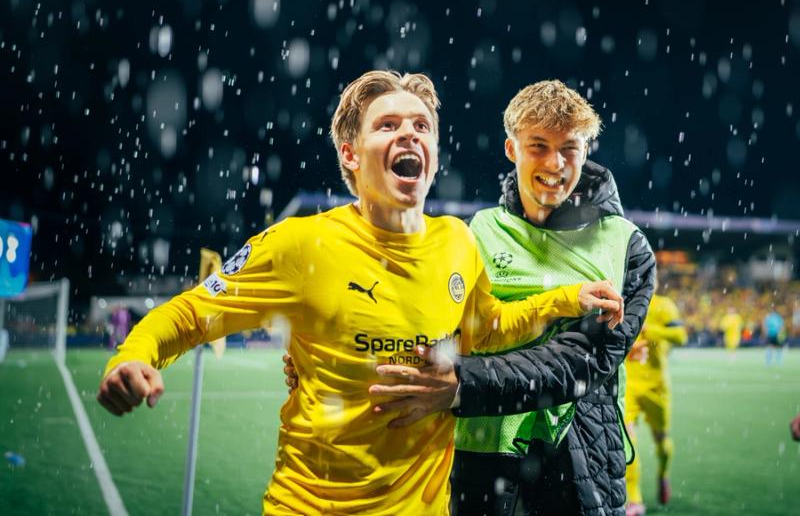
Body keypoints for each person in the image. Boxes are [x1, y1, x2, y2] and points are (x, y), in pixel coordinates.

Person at [96, 70, 623, 515]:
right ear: (350, 153)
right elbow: (192, 313)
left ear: (435, 152)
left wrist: (567, 299)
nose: (410, 135)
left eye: (422, 126)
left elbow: (488, 328)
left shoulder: (457, 243)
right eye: (387, 125)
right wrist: (135, 356)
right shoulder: (301, 244)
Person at [369, 80, 656, 516]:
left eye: (570, 147)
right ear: (511, 149)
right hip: (483, 459)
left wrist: (463, 385)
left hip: (587, 466)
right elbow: (422, 327)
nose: (555, 163)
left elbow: (579, 363)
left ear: (587, 150)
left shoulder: (627, 247)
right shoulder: (471, 235)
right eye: (538, 145)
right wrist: (331, 355)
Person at [623, 292, 687, 516]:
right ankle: (633, 498)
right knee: (627, 441)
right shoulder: (623, 302)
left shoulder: (663, 305)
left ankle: (663, 474)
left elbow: (681, 336)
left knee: (662, 442)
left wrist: (650, 330)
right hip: (628, 384)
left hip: (656, 387)